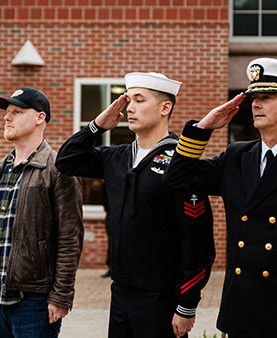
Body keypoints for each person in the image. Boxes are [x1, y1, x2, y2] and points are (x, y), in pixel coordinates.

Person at [56, 73, 215, 338]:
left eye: (139, 101)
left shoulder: (181, 163)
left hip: (161, 297)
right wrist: (96, 126)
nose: (129, 108)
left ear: (165, 108)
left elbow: (197, 244)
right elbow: (66, 161)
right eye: (128, 100)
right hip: (120, 293)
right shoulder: (117, 157)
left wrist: (187, 305)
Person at [163, 58, 277, 338]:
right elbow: (176, 179)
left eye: (266, 97)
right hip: (242, 307)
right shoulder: (238, 156)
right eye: (253, 98)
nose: (255, 104)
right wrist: (203, 128)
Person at [0, 87, 84, 338]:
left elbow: (70, 238)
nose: (7, 117)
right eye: (7, 112)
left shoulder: (58, 168)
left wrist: (61, 296)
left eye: (17, 111)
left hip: (35, 302)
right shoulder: (0, 168)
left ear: (40, 118)